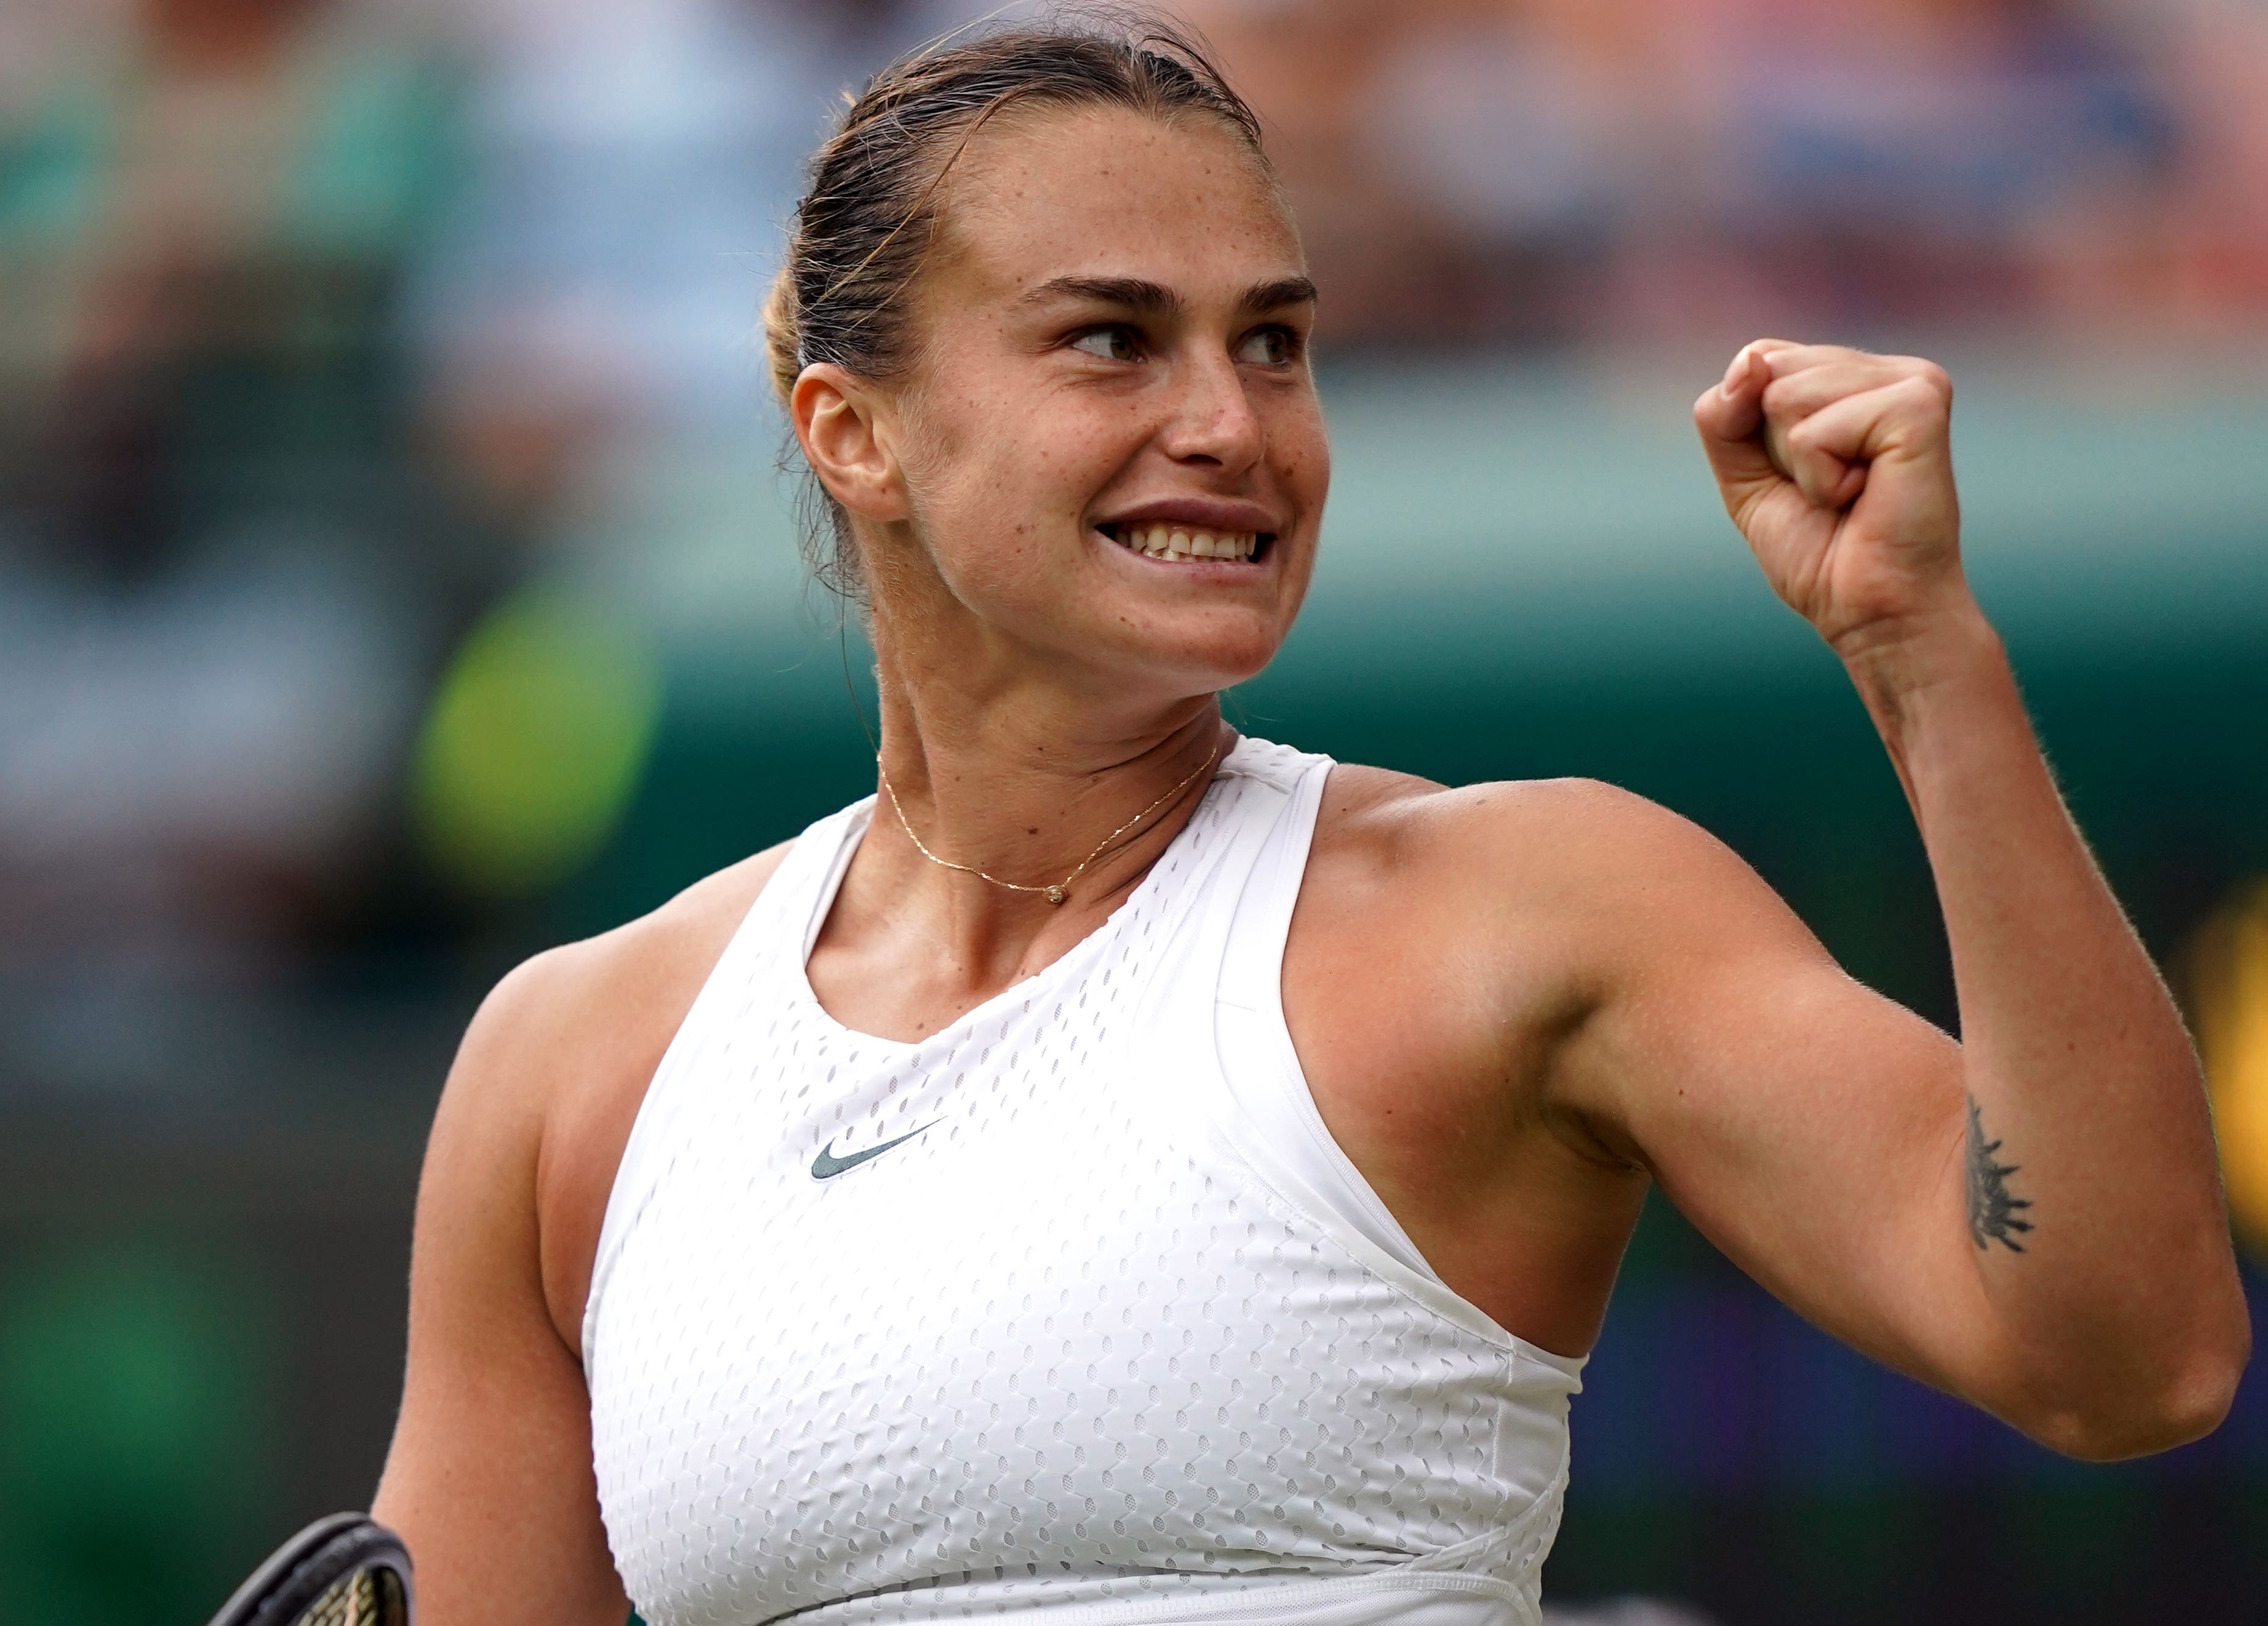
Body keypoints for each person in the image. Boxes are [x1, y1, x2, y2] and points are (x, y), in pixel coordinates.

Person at [370, 16, 2249, 1626]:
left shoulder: (1534, 906)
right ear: (853, 431)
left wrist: (1927, 661)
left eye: (1271, 342)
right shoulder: (574, 1061)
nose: (1231, 423)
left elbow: (2129, 1350)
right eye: (1113, 340)